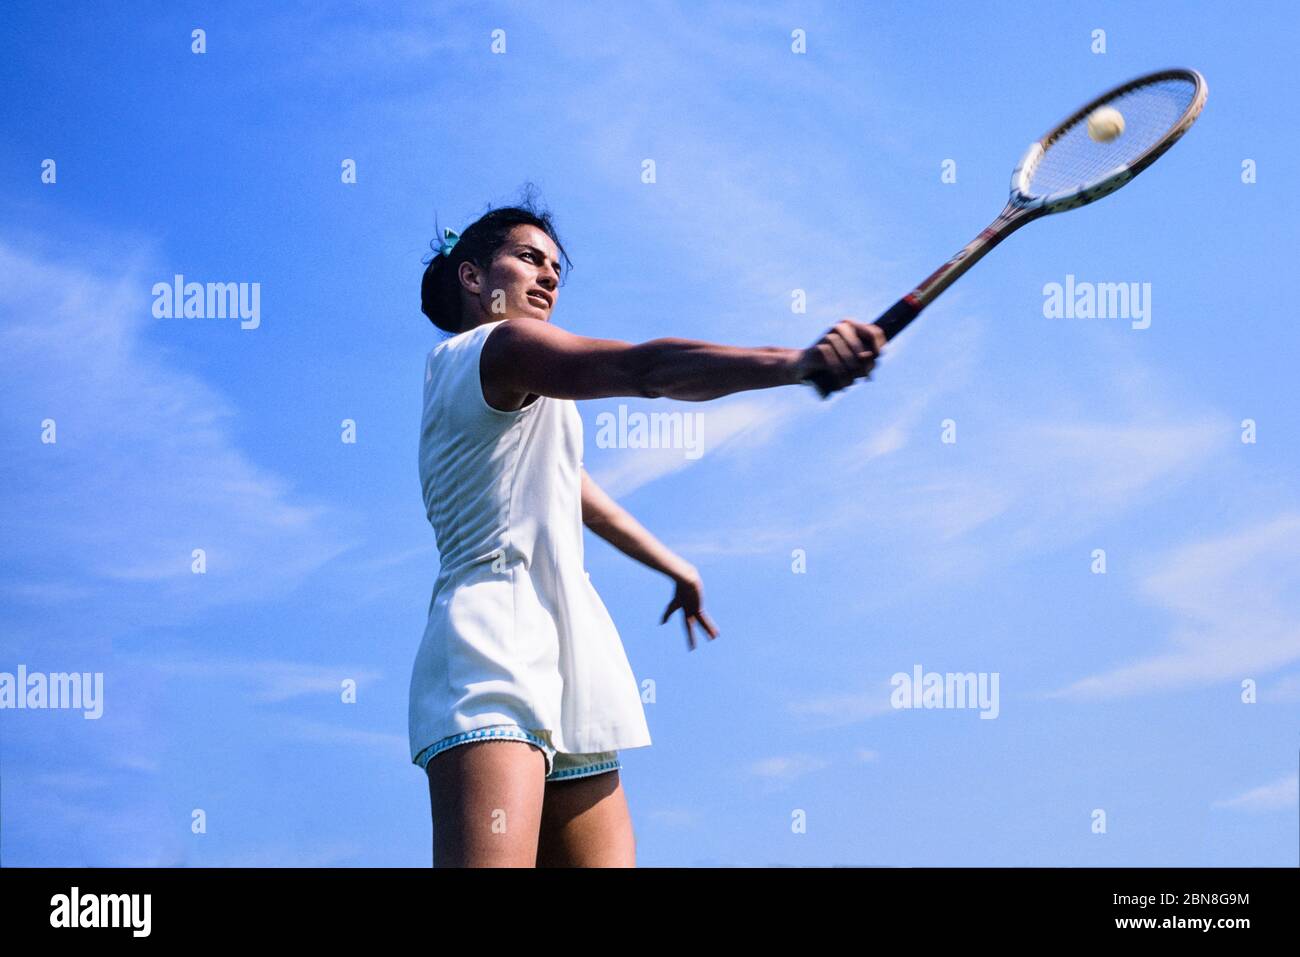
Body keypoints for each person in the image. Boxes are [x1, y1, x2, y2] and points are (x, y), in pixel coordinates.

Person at [410, 196, 884, 867]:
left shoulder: (519, 402)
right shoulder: (499, 348)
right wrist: (794, 362)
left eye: (555, 267)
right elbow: (646, 370)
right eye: (527, 259)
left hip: (569, 652)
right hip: (489, 650)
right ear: (473, 278)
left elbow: (576, 494)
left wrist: (675, 566)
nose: (548, 276)